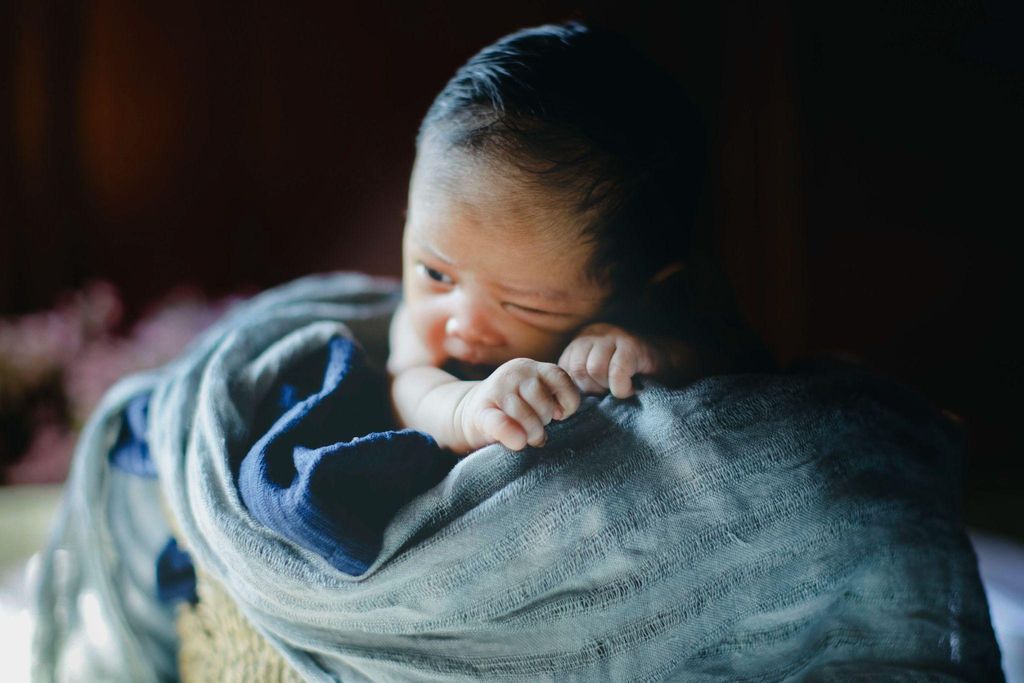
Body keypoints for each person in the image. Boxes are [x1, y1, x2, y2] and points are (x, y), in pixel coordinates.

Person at [388, 22, 771, 455]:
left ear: (639, 292)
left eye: (525, 304)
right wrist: (467, 409)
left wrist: (654, 353)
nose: (463, 324)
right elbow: (409, 389)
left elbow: (731, 357)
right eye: (435, 273)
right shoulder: (424, 328)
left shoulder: (659, 306)